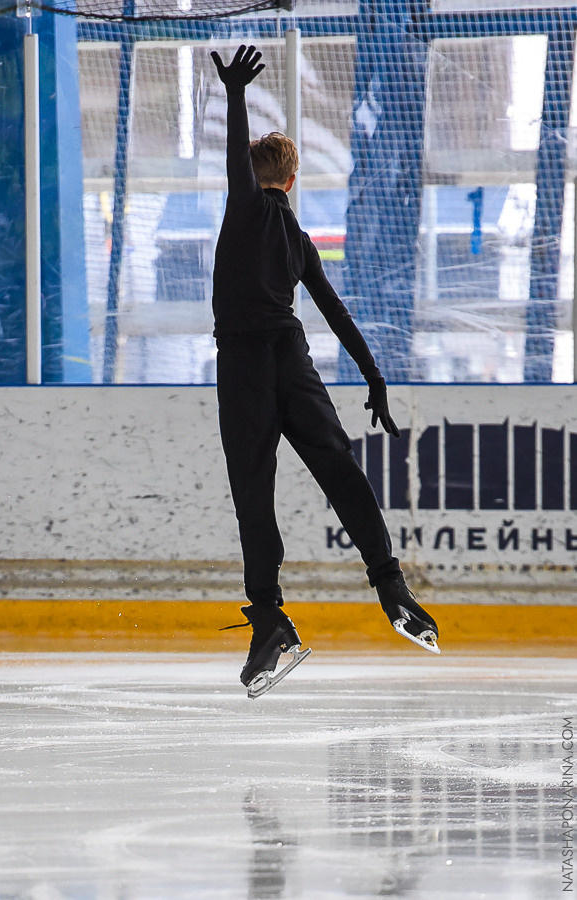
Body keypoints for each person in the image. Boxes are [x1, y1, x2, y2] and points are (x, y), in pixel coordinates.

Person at [210, 45, 440, 698]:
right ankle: (389, 585)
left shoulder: (245, 207)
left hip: (247, 368)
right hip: (294, 360)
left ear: (255, 178)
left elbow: (234, 162)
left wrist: (232, 96)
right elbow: (336, 316)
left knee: (253, 492)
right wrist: (373, 380)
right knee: (339, 469)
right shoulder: (300, 240)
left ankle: (270, 620)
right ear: (295, 176)